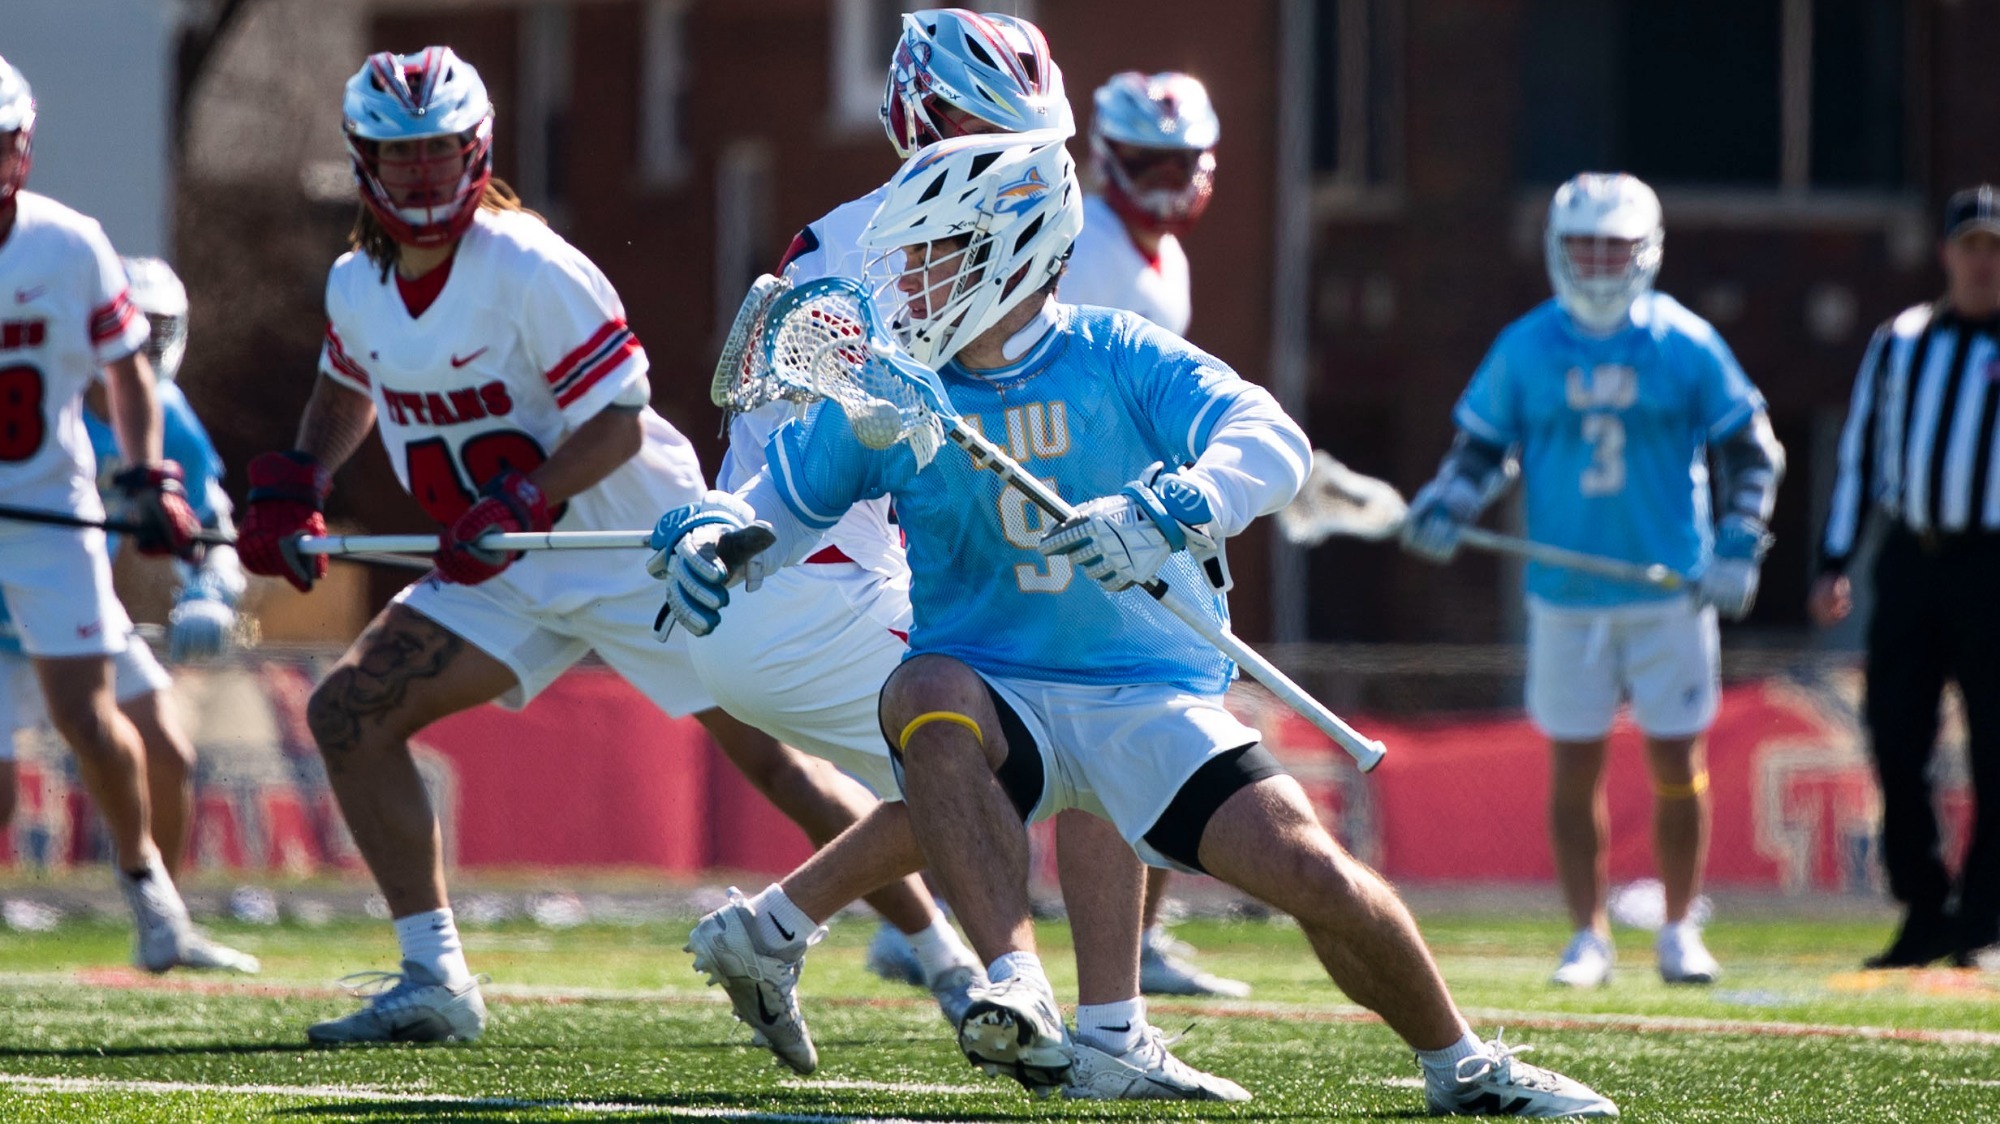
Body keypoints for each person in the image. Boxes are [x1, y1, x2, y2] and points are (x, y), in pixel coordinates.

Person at [653, 130, 1619, 1116]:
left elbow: (1269, 441)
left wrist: (1175, 509)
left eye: (932, 250)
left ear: (1016, 250)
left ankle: (1460, 1062)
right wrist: (716, 534)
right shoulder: (895, 394)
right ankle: (1011, 977)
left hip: (1144, 692)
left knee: (1310, 871)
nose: (905, 276)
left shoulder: (1114, 353)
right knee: (922, 689)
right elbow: (776, 508)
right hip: (1001, 694)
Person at [233, 46, 861, 1044]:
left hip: (629, 547)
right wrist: (303, 478)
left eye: (439, 151)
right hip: (506, 565)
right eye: (399, 156)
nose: (421, 173)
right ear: (362, 163)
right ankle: (433, 974)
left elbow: (618, 418)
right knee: (350, 709)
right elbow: (347, 380)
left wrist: (519, 493)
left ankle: (948, 961)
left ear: (476, 151)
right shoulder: (358, 281)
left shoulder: (527, 262)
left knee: (780, 764)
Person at [680, 11, 1243, 1101]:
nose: (1011, 159)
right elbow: (808, 437)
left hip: (792, 584)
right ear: (923, 123)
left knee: (1024, 740)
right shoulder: (910, 237)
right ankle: (1085, 1017)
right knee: (1079, 708)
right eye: (982, 126)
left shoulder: (869, 225)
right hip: (806, 574)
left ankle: (773, 925)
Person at [1401, 172, 1784, 989]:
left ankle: (1680, 926)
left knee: (1678, 763)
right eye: (1585, 248)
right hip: (1566, 595)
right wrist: (1451, 499)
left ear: (1646, 253)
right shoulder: (1528, 345)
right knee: (1574, 768)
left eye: (1615, 248)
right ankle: (1588, 932)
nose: (1600, 265)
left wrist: (1741, 540)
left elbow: (1751, 449)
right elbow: (1481, 447)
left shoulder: (1683, 342)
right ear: (1556, 251)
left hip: (1667, 589)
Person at [0, 54, 256, 974]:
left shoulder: (68, 243)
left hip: (41, 504)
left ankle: (151, 893)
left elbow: (128, 374)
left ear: (23, 148)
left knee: (88, 714)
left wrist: (149, 477)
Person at [1055, 67, 1248, 1000]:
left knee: (1156, 713)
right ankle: (926, 921)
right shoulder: (1087, 248)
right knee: (1133, 716)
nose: (1170, 180)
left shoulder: (1161, 257)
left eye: (1182, 161)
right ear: (1109, 155)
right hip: (1085, 513)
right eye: (1150, 161)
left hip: (1145, 512)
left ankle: (1143, 937)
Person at [1812, 185, 2000, 971]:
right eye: (1973, 247)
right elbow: (1860, 452)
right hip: (1912, 558)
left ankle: (1984, 919)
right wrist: (1834, 560)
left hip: (1995, 564)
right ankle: (1925, 907)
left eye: (1997, 249)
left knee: (1998, 746)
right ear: (1947, 253)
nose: (1984, 263)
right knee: (1893, 734)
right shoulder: (1902, 341)